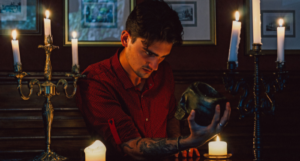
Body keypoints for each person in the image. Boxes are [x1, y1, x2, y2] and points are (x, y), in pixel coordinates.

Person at [76, 0, 231, 160]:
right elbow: (131, 146)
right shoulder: (96, 81)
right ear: (125, 39)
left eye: (162, 57)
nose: (155, 66)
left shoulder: (164, 72)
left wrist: (177, 143)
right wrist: (185, 142)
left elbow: (171, 116)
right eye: (149, 53)